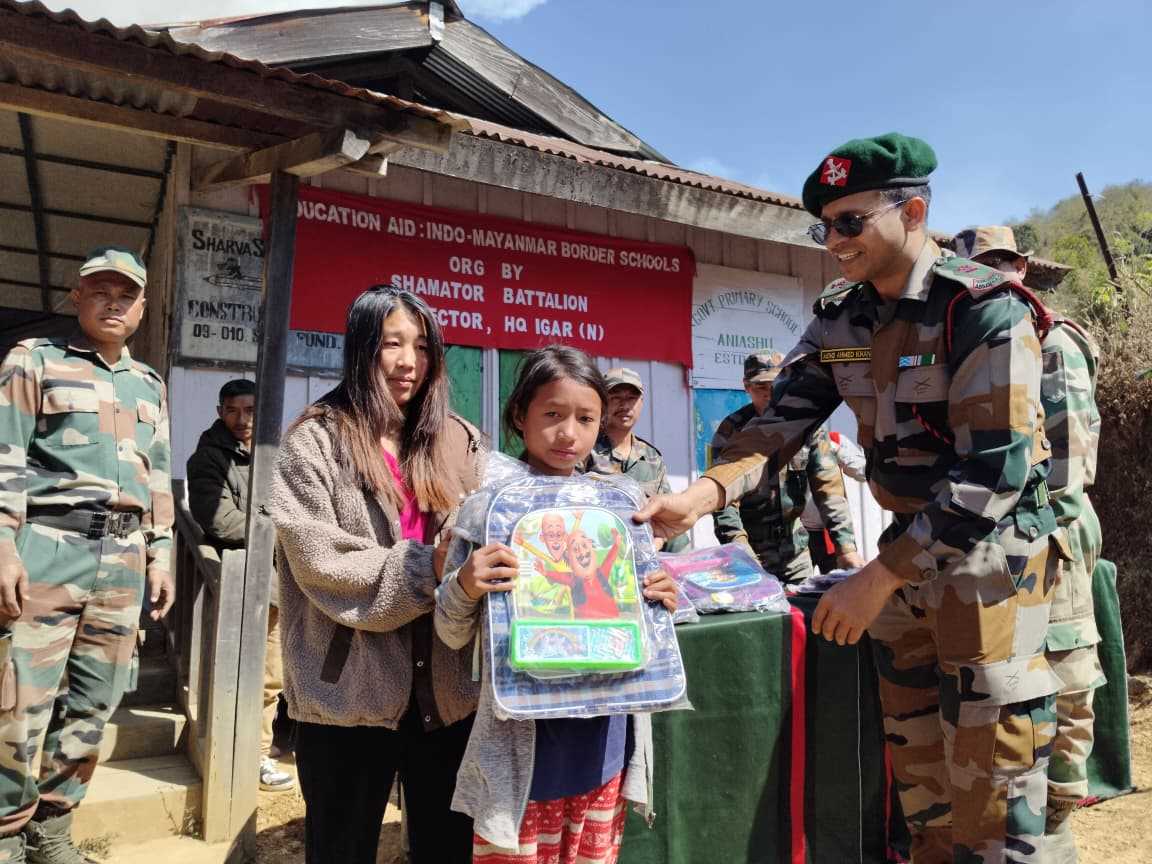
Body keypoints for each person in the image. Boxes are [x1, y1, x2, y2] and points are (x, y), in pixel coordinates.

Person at [636, 133, 1064, 863]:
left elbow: (995, 470)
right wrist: (702, 495)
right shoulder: (843, 318)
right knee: (923, 797)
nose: (834, 242)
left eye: (850, 222)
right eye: (825, 228)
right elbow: (779, 423)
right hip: (905, 566)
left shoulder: (981, 308)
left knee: (997, 799)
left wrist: (879, 576)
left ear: (914, 212)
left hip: (992, 568)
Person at [434, 345, 677, 864]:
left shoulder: (620, 508)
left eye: (586, 418)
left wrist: (661, 600)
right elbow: (451, 634)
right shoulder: (487, 511)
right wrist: (465, 585)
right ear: (520, 416)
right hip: (523, 754)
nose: (569, 433)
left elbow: (646, 622)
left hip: (604, 745)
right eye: (552, 415)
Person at [267, 286, 484, 864]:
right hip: (349, 693)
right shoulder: (314, 442)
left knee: (448, 849)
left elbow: (494, 525)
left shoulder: (458, 440)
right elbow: (321, 561)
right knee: (342, 848)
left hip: (447, 690)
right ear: (361, 347)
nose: (409, 361)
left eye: (422, 346)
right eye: (392, 343)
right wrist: (429, 566)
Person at [0, 246, 174, 864]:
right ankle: (6, 834)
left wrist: (161, 551)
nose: (113, 303)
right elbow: (5, 456)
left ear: (142, 307)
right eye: (101, 291)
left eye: (126, 295)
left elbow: (156, 474)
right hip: (47, 549)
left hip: (122, 559)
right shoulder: (34, 360)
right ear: (78, 298)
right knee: (18, 704)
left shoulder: (148, 384)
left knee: (93, 704)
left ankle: (52, 830)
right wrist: (4, 546)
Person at [955, 226, 1105, 862]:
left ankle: (1058, 826)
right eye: (979, 267)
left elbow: (1068, 462)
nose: (993, 276)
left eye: (1002, 263)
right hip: (1005, 538)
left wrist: (1042, 537)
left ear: (1020, 268)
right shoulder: (977, 336)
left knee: (1064, 668)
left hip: (1052, 530)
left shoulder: (1052, 339)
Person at [186, 378, 294, 793]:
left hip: (284, 582)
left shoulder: (275, 455)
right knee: (254, 676)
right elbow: (219, 519)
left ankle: (260, 749)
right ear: (220, 412)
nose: (242, 419)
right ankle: (248, 757)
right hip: (244, 583)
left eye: (250, 410)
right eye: (233, 410)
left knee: (275, 676)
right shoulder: (208, 458)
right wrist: (281, 530)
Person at [710, 352, 862, 582]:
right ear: (747, 387)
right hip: (749, 553)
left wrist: (846, 548)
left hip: (795, 553)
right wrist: (739, 548)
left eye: (775, 384)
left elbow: (829, 489)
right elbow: (721, 497)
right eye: (761, 386)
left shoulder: (807, 427)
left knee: (802, 603)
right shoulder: (730, 431)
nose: (769, 392)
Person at [583, 367, 687, 551]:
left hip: (645, 552)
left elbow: (666, 516)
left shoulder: (651, 457)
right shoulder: (585, 450)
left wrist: (664, 545)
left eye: (632, 398)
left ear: (641, 403)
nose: (625, 405)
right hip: (597, 552)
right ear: (602, 403)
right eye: (616, 397)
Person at [801, 430, 869, 572]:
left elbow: (863, 473)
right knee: (798, 582)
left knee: (839, 581)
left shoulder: (835, 439)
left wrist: (835, 451)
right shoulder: (790, 442)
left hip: (833, 534)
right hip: (800, 535)